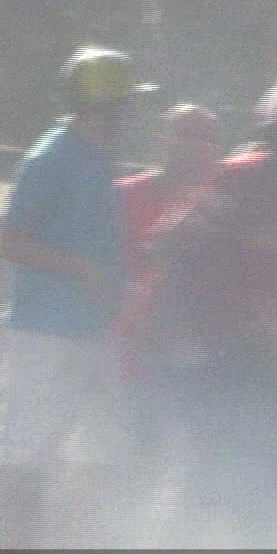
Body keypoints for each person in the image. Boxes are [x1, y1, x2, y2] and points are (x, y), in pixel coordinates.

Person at [141, 79, 277, 545]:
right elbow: (170, 246)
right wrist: (193, 333)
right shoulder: (239, 180)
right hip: (226, 352)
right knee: (214, 474)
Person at [0, 46, 146, 546]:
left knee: (99, 449)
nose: (130, 114)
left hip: (91, 329)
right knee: (29, 452)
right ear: (101, 106)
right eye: (124, 104)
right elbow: (10, 242)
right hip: (42, 332)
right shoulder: (50, 159)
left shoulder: (97, 157)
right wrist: (85, 269)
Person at [114, 104, 223, 516]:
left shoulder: (226, 200)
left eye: (206, 137)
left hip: (208, 355)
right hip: (137, 355)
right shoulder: (124, 196)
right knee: (136, 465)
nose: (197, 146)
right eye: (185, 134)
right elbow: (103, 272)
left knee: (205, 470)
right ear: (163, 140)